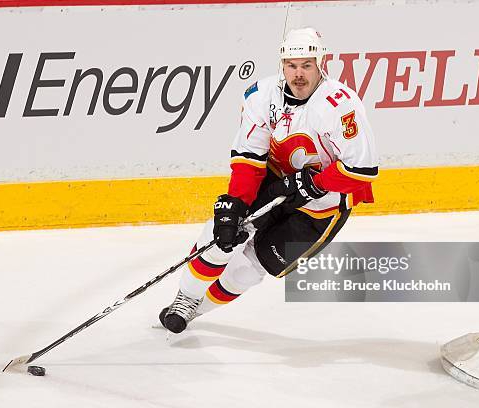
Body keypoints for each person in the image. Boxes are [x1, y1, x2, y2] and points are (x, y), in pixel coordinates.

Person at [159, 27, 378, 333]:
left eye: (306, 66)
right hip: (274, 183)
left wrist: (316, 184)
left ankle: (196, 310)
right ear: (282, 64)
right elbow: (249, 158)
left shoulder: (341, 105)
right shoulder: (262, 95)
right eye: (291, 66)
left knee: (249, 269)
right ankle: (185, 299)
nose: (298, 74)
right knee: (221, 234)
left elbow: (362, 169)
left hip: (321, 207)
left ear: (320, 63)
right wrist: (237, 202)